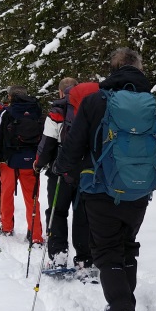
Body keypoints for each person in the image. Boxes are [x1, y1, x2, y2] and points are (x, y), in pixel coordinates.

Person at [54, 48, 156, 311]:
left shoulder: (95, 101)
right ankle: (124, 309)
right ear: (139, 69)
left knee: (107, 252)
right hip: (139, 190)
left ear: (112, 69)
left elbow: (74, 144)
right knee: (126, 247)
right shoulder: (151, 103)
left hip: (100, 188)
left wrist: (63, 169)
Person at [34, 77, 92, 271]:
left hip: (60, 170)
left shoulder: (57, 111)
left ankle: (58, 255)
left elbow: (47, 143)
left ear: (60, 92)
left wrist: (39, 164)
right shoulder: (91, 106)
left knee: (57, 212)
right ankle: (84, 259)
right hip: (86, 170)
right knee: (82, 214)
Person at [0, 86, 44, 244]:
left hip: (8, 162)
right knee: (32, 198)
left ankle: (7, 227)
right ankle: (35, 235)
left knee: (6, 195)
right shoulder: (37, 111)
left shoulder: (6, 112)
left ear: (10, 96)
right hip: (32, 162)